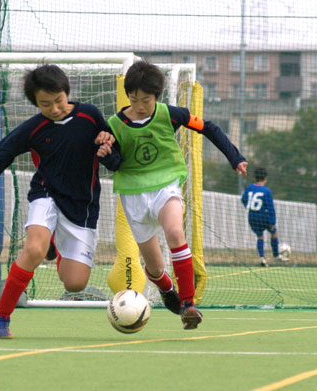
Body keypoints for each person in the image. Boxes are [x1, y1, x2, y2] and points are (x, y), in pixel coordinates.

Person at [0, 64, 116, 339]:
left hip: (81, 208)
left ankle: (54, 245)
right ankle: (1, 319)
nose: (55, 109)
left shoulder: (91, 116)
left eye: (58, 101)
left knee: (74, 284)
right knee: (34, 249)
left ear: (66, 92)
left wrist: (109, 148)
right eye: (45, 104)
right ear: (35, 103)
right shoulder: (33, 129)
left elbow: (113, 156)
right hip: (46, 195)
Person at [98, 61, 248, 330]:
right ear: (128, 96)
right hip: (133, 195)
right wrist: (107, 156)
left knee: (176, 234)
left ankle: (188, 305)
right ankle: (167, 290)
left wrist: (234, 157)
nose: (140, 105)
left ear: (157, 96)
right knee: (155, 268)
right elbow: (116, 163)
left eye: (146, 99)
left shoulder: (170, 114)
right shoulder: (114, 125)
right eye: (134, 99)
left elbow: (209, 127)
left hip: (166, 185)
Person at [241, 167, 288, 267]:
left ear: (254, 177)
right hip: (263, 216)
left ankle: (262, 258)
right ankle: (276, 255)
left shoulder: (249, 187)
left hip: (252, 217)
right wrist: (272, 222)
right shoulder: (266, 191)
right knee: (274, 232)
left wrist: (249, 207)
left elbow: (244, 200)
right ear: (266, 178)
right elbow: (270, 208)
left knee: (260, 236)